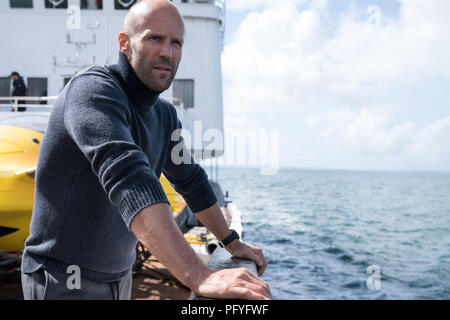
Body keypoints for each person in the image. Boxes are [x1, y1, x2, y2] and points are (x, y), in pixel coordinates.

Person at [21, 0, 271, 300]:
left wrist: (230, 241)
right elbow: (129, 178)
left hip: (119, 275)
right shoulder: (92, 91)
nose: (167, 51)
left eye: (175, 42)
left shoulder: (164, 116)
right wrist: (199, 274)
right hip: (64, 277)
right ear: (125, 44)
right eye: (155, 38)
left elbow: (191, 181)